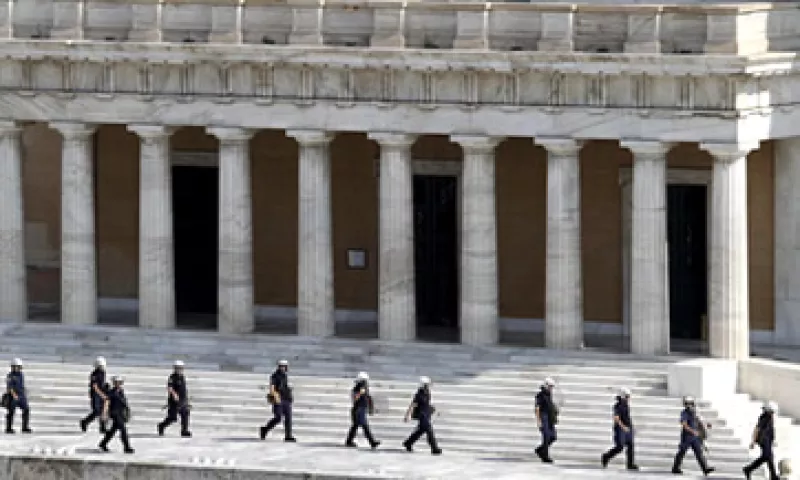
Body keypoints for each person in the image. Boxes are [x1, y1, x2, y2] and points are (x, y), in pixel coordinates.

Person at [671, 396, 714, 475]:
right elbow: (684, 424)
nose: (689, 405)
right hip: (686, 436)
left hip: (695, 437)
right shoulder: (684, 413)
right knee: (681, 452)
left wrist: (706, 425)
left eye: (691, 403)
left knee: (699, 452)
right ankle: (675, 468)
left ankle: (705, 468)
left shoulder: (695, 412)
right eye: (687, 403)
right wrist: (692, 431)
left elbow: (699, 422)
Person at [601, 387, 638, 470]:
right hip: (620, 429)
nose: (629, 398)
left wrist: (631, 427)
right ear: (623, 396)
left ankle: (630, 464)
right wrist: (623, 427)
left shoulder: (626, 405)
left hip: (628, 428)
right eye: (627, 396)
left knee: (630, 445)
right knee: (620, 447)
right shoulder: (617, 406)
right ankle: (606, 456)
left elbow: (627, 417)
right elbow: (616, 418)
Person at [402, 376, 441, 455]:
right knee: (429, 431)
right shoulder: (419, 394)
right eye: (427, 384)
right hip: (422, 415)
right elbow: (413, 405)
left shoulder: (427, 393)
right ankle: (434, 448)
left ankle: (408, 443)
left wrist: (433, 410)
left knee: (420, 431)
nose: (429, 385)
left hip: (426, 414)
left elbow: (427, 404)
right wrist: (407, 415)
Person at [260, 359, 296, 442]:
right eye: (282, 366)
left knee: (288, 418)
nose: (283, 368)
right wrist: (274, 396)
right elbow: (272, 387)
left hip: (286, 399)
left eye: (285, 366)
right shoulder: (275, 376)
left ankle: (288, 436)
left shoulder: (285, 375)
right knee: (278, 417)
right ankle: (265, 429)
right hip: (278, 398)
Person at [743, 401, 779, 480]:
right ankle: (748, 469)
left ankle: (773, 476)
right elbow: (757, 429)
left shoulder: (770, 417)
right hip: (763, 440)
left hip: (768, 440)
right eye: (772, 411)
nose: (773, 413)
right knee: (766, 456)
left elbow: (772, 429)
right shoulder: (764, 417)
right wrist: (753, 441)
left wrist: (774, 439)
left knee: (770, 458)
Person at [99, 376, 134, 454]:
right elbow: (106, 402)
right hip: (114, 413)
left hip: (121, 413)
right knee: (123, 430)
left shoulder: (121, 391)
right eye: (118, 382)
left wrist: (127, 410)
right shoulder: (111, 392)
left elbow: (124, 402)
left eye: (120, 382)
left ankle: (103, 443)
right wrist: (104, 414)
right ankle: (127, 447)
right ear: (114, 383)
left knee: (113, 430)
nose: (119, 384)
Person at [345, 372, 380, 449]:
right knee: (364, 426)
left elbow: (368, 398)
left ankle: (349, 441)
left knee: (355, 426)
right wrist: (360, 393)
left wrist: (371, 408)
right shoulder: (358, 388)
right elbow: (355, 399)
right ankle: (372, 442)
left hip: (360, 409)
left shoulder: (362, 388)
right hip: (358, 409)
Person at [158, 360, 191, 437]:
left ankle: (184, 430)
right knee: (173, 418)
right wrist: (174, 394)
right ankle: (161, 426)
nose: (179, 370)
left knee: (185, 414)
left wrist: (187, 400)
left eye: (181, 368)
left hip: (182, 400)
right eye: (178, 368)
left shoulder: (182, 377)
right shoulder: (172, 377)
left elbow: (184, 389)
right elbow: (170, 387)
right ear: (174, 368)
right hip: (174, 401)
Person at [80, 356, 108, 433]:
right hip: (96, 395)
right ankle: (85, 422)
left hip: (102, 393)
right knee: (97, 411)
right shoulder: (94, 374)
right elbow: (95, 386)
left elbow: (101, 383)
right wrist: (101, 394)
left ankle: (103, 427)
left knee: (104, 410)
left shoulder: (103, 373)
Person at [535, 377, 558, 463]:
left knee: (553, 437)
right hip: (543, 417)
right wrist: (539, 421)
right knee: (546, 437)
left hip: (550, 418)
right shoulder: (540, 395)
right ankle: (545, 456)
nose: (551, 388)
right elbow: (537, 408)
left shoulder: (549, 395)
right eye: (550, 386)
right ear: (546, 385)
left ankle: (540, 450)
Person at [5, 358, 30, 434]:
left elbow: (22, 385)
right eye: (14, 366)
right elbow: (10, 387)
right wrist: (14, 394)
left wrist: (24, 392)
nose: (16, 368)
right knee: (11, 412)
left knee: (26, 410)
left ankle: (25, 427)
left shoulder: (21, 375)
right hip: (13, 396)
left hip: (21, 395)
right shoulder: (10, 376)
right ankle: (9, 428)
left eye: (17, 366)